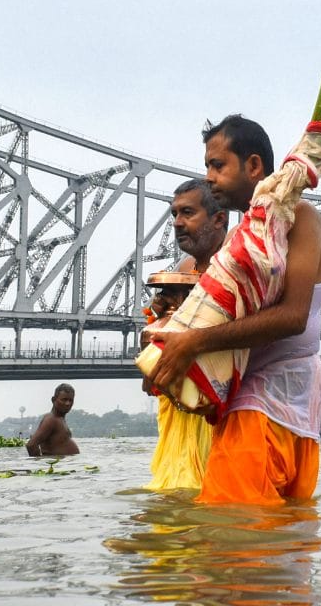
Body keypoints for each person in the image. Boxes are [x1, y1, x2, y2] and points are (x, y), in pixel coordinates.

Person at [150, 115, 321, 506]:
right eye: (207, 167)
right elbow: (221, 306)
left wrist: (194, 341)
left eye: (218, 165)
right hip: (265, 406)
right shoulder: (240, 238)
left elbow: (293, 316)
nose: (209, 177)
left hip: (273, 408)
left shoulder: (302, 218)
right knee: (277, 549)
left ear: (253, 166)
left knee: (229, 540)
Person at [143, 179, 228, 491]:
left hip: (220, 405)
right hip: (178, 406)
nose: (177, 223)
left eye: (188, 213)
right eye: (174, 214)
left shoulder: (234, 264)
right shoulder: (183, 267)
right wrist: (160, 317)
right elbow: (150, 380)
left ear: (219, 219)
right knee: (173, 499)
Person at [26, 383, 80, 456]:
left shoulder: (60, 419)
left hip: (65, 465)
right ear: (53, 400)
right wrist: (40, 463)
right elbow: (31, 445)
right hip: (57, 466)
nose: (68, 403)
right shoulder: (51, 420)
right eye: (64, 400)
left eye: (71, 400)